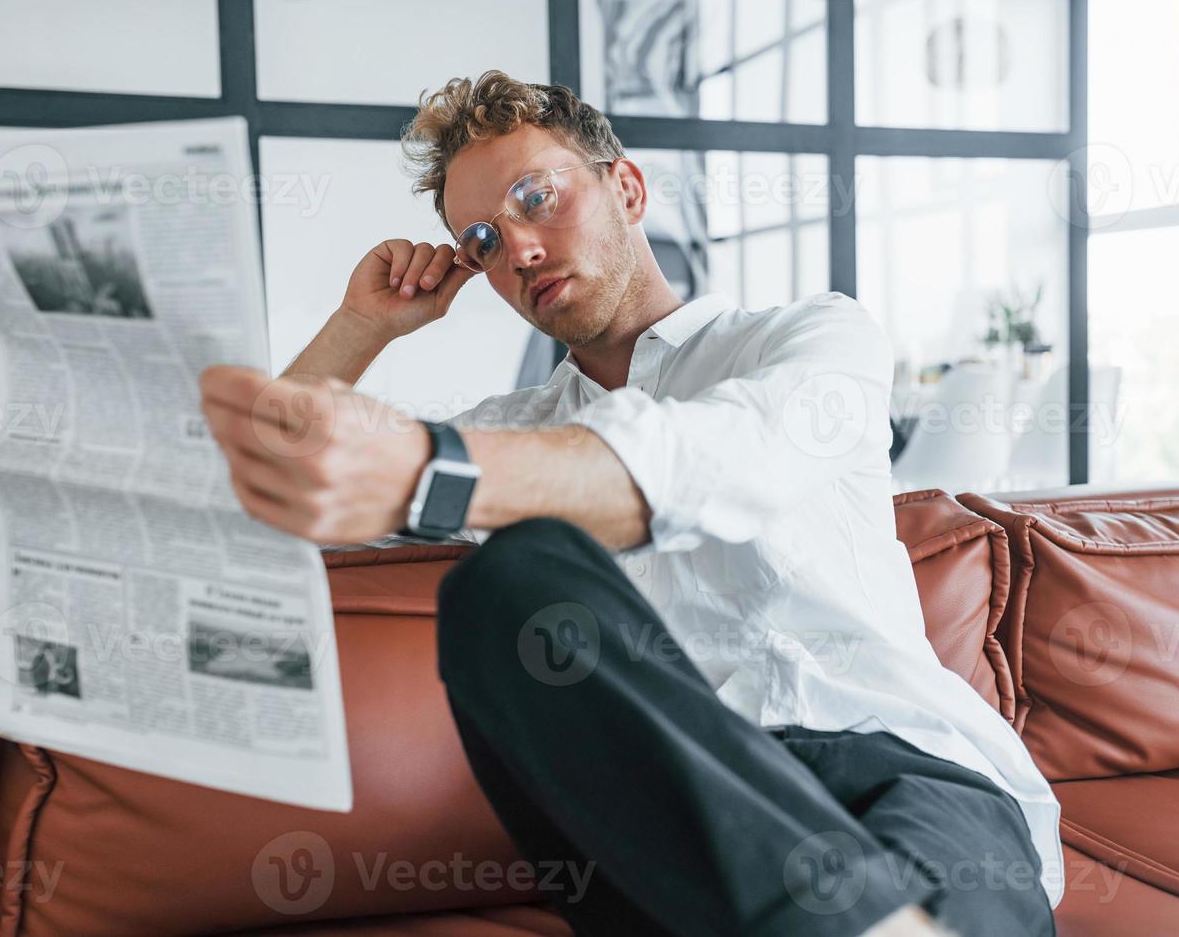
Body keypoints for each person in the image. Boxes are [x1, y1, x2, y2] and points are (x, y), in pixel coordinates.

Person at [199, 70, 1061, 937]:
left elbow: (728, 458)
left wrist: (433, 469)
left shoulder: (808, 339)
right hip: (676, 818)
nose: (521, 249)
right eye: (486, 239)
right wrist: (362, 326)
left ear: (629, 187)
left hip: (894, 767)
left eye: (539, 197)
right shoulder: (513, 432)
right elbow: (255, 491)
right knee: (508, 584)